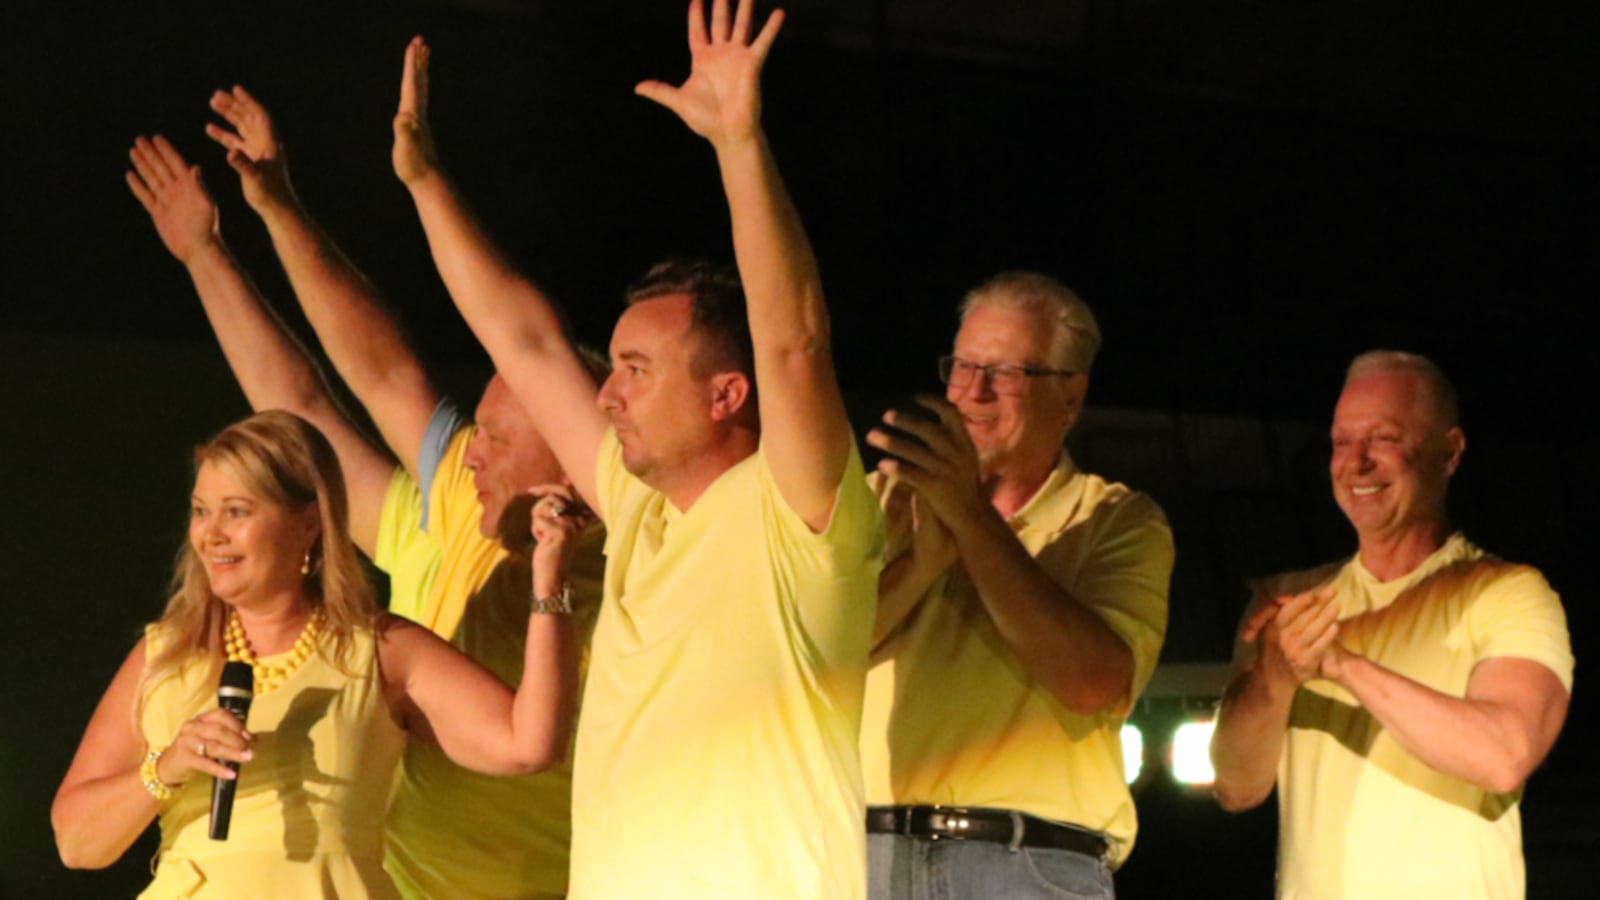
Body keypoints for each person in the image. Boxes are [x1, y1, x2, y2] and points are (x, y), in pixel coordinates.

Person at [390, 0, 884, 894]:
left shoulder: (800, 511)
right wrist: (425, 183)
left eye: (636, 370)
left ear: (728, 394)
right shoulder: (636, 507)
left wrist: (739, 143)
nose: (607, 393)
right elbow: (527, 342)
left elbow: (794, 342)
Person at [126, 85, 606, 898]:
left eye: (495, 437)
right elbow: (318, 405)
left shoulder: (638, 556)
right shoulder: (450, 506)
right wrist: (238, 234)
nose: (469, 453)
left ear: (570, 452)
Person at [51, 411, 579, 899]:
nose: (211, 535)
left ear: (309, 522)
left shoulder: (378, 650)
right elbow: (76, 843)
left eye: (236, 512)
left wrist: (549, 583)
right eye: (200, 511)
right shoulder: (164, 655)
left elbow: (528, 744)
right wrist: (163, 768)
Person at [1209, 351, 1574, 899]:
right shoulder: (1289, 603)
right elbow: (1235, 788)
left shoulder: (1507, 591)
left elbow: (1504, 756)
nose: (1355, 463)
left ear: (1448, 452)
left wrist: (1340, 664)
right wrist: (1276, 676)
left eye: (1382, 438)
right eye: (1340, 442)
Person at [860, 272, 1173, 899]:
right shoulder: (882, 499)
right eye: (962, 366)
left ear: (1070, 398)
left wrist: (971, 520)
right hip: (865, 857)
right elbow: (810, 656)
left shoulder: (1115, 519)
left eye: (1004, 373)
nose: (972, 392)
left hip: (1024, 864)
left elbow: (1094, 683)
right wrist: (921, 563)